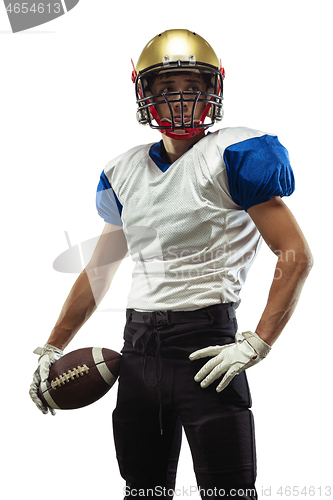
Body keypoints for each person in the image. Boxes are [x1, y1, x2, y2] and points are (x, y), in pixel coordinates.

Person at [29, 29, 313, 499]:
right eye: (165, 89)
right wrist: (50, 347)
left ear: (213, 90)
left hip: (208, 348)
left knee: (230, 492)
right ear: (145, 96)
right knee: (142, 490)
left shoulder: (235, 154)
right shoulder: (123, 170)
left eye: (192, 86)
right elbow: (99, 271)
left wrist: (258, 343)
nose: (180, 99)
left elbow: (295, 255)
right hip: (139, 349)